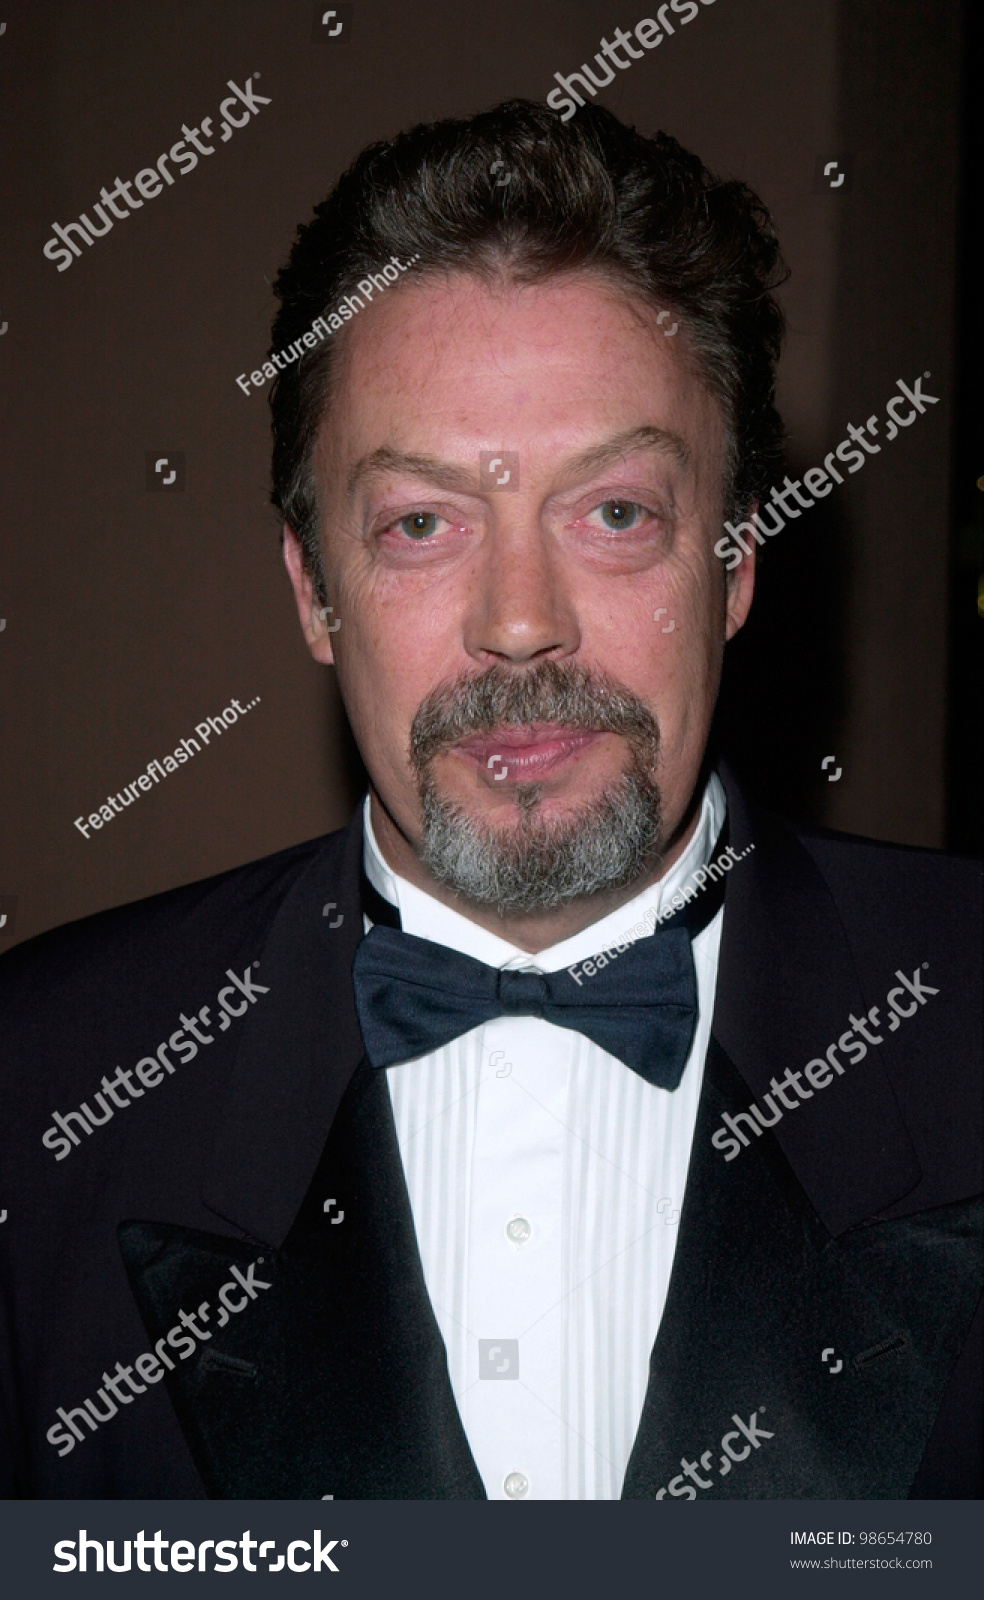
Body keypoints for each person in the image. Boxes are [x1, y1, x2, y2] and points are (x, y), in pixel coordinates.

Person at [1, 100, 980, 1501]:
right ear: (313, 591)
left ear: (739, 559)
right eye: (421, 523)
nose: (521, 625)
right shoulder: (40, 1089)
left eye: (617, 513)